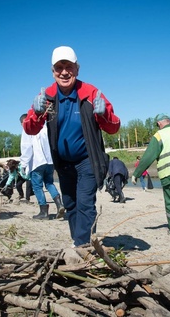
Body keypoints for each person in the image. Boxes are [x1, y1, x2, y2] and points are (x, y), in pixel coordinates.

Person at [23, 46, 120, 247]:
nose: (64, 72)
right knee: (71, 204)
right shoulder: (47, 95)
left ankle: (81, 245)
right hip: (63, 163)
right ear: (53, 71)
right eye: (59, 67)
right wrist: (36, 111)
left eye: (69, 67)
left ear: (77, 69)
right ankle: (81, 241)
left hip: (87, 160)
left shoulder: (91, 93)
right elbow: (31, 129)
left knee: (85, 202)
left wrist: (104, 114)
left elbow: (113, 128)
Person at [20, 113, 64, 220]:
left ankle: (43, 211)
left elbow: (27, 148)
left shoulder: (28, 130)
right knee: (49, 183)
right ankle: (59, 205)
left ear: (23, 122)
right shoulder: (45, 128)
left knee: (37, 187)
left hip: (37, 162)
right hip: (49, 161)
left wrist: (24, 164)